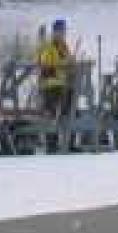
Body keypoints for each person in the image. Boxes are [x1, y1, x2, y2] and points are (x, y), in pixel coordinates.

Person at [36, 19, 73, 153]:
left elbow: (68, 60)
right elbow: (46, 63)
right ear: (55, 31)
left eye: (64, 31)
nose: (63, 33)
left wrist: (70, 62)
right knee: (51, 115)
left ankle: (68, 142)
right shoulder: (49, 45)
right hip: (50, 84)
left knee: (68, 111)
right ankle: (52, 144)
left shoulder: (64, 46)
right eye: (60, 31)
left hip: (62, 83)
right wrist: (63, 62)